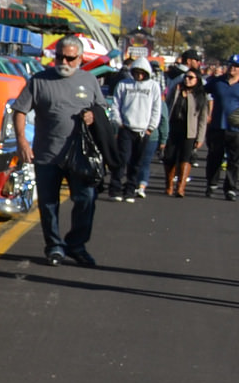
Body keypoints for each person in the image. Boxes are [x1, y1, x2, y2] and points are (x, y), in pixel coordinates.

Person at [14, 35, 102, 267]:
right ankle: (54, 246)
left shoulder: (90, 81)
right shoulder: (39, 80)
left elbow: (101, 109)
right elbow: (20, 110)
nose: (64, 61)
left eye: (70, 58)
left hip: (80, 156)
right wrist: (22, 141)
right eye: (60, 56)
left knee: (86, 199)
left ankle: (77, 244)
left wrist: (94, 116)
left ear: (80, 59)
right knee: (48, 203)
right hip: (46, 154)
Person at [107, 58, 163, 201]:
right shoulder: (124, 85)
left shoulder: (153, 86)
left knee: (136, 162)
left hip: (143, 130)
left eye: (142, 73)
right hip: (126, 127)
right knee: (122, 160)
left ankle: (130, 190)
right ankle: (115, 189)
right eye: (136, 72)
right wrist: (118, 122)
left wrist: (151, 127)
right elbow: (115, 104)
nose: (139, 76)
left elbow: (156, 108)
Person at [164, 68, 212, 196]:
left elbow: (202, 118)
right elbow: (167, 104)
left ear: (197, 80)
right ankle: (169, 185)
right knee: (169, 157)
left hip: (189, 131)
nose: (187, 80)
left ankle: (181, 187)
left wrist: (200, 138)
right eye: (186, 77)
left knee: (186, 158)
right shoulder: (177, 90)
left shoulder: (200, 95)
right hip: (173, 128)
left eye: (191, 78)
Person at [205, 55, 239, 201]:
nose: (233, 68)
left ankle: (230, 188)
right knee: (214, 157)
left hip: (235, 130)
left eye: (236, 66)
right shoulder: (217, 82)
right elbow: (201, 91)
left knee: (234, 160)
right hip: (217, 126)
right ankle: (211, 184)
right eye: (231, 65)